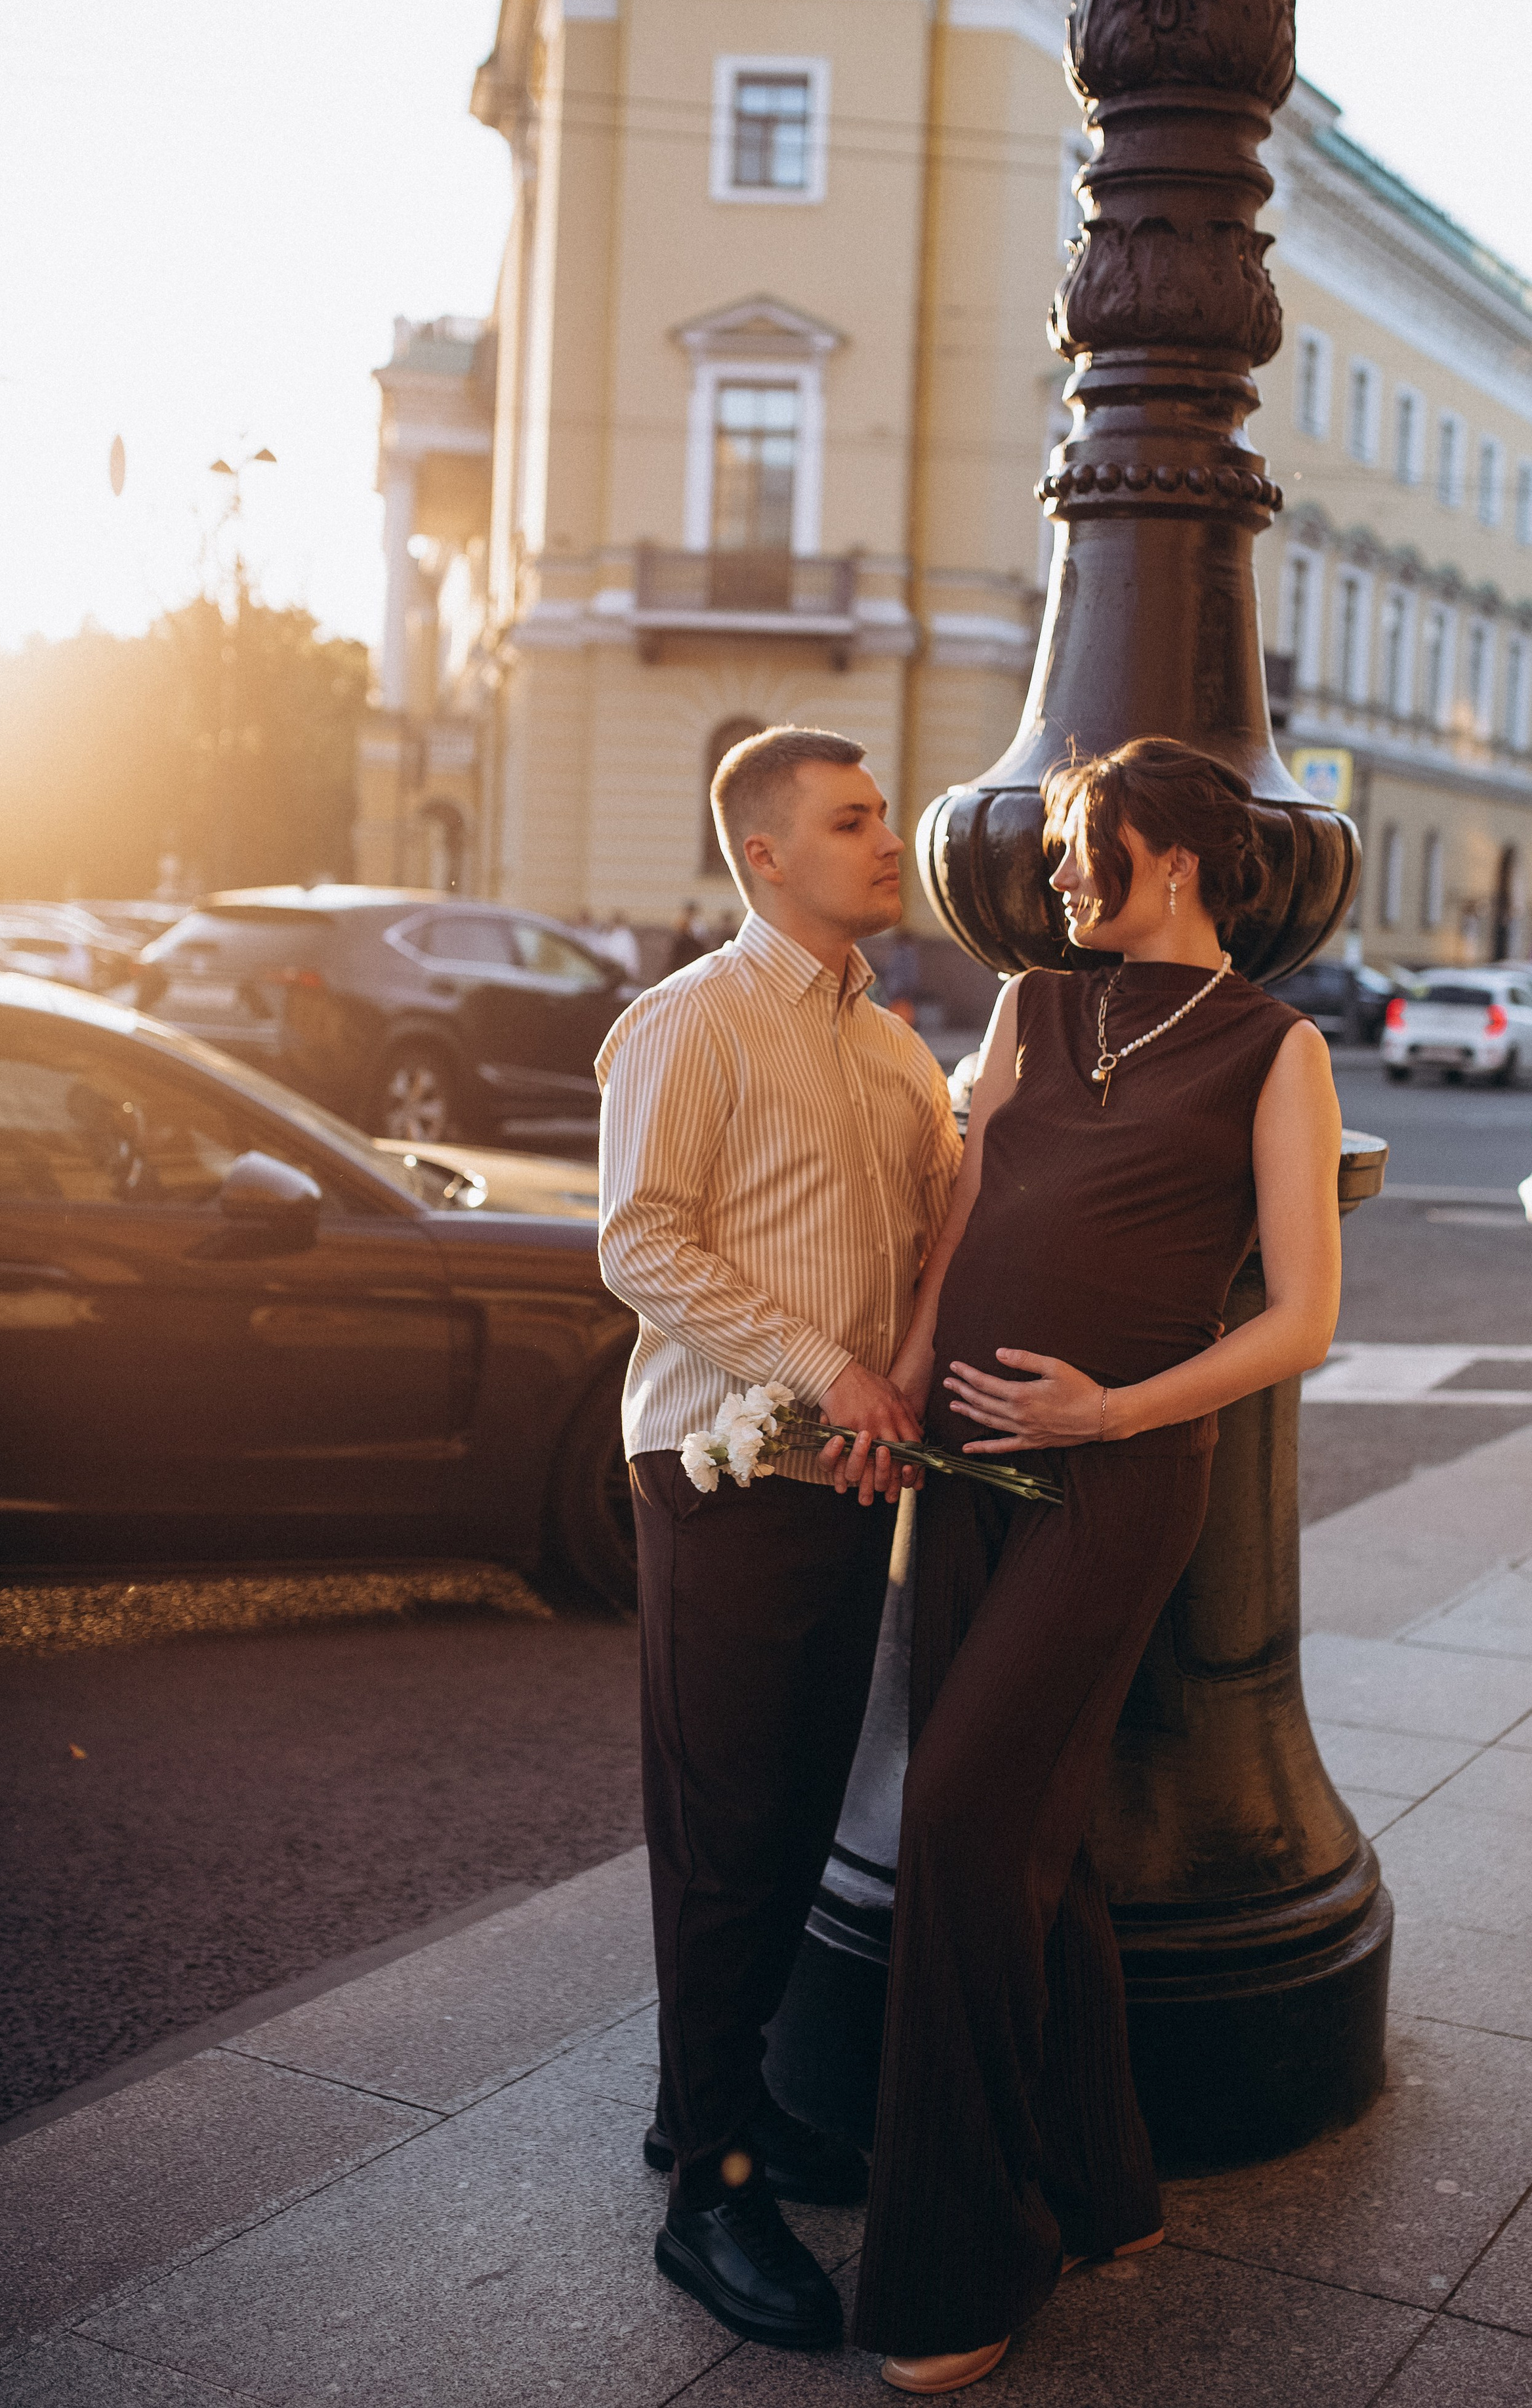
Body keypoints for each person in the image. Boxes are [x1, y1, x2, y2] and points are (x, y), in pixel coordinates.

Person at [852, 736, 1342, 2394]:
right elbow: (971, 1198)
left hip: (1117, 1481)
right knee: (1026, 1829)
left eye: (1083, 844)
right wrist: (913, 1375)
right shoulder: (1032, 1006)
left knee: (958, 1813)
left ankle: (964, 2249)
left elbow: (1301, 1316)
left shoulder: (1273, 1050)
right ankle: (1102, 2185)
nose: (1056, 873)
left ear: (1177, 860)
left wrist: (1115, 1404)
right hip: (963, 1464)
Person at [597, 725, 963, 2354]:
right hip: (718, 1477)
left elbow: (926, 1246)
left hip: (838, 1489)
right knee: (725, 1834)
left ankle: (715, 2112)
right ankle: (712, 2190)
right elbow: (638, 1241)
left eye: (881, 816)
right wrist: (833, 1373)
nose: (886, 841)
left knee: (797, 1816)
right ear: (764, 853)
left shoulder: (892, 1054)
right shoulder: (688, 1022)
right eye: (852, 820)